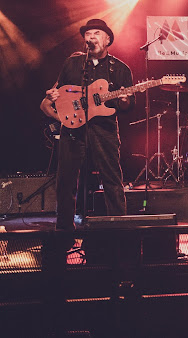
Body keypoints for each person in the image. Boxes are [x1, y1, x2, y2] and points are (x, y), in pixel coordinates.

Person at [40, 19, 135, 239]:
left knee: (112, 179)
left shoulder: (120, 69)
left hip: (104, 128)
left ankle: (119, 232)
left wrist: (124, 100)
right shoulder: (72, 63)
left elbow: (128, 107)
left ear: (107, 39)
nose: (91, 37)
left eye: (97, 33)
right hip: (73, 128)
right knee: (65, 180)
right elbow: (56, 95)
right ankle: (64, 230)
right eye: (88, 34)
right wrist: (56, 107)